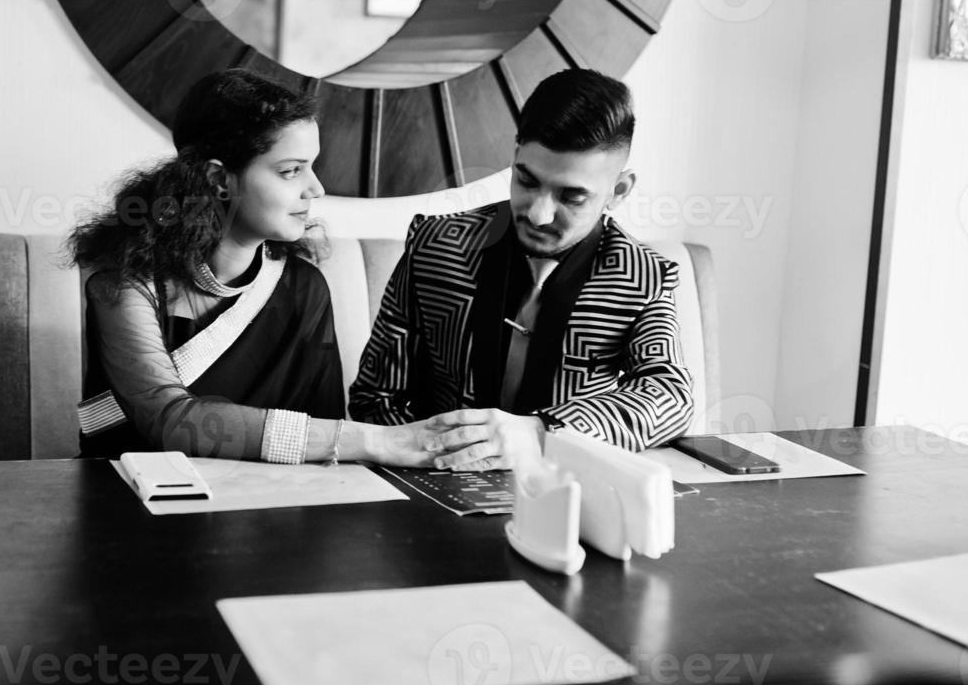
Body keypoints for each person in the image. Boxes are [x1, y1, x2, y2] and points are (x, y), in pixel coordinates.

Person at [70, 68, 439, 466]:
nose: (316, 188)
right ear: (218, 179)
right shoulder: (126, 282)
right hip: (131, 501)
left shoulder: (304, 287)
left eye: (311, 166)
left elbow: (325, 437)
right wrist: (379, 441)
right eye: (290, 170)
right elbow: (167, 419)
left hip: (265, 507)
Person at [349, 68, 693, 473]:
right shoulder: (436, 245)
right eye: (526, 181)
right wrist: (441, 460)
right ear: (514, 159)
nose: (538, 213)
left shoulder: (644, 275)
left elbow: (670, 396)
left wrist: (541, 434)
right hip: (433, 486)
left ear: (618, 191)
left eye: (572, 196)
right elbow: (374, 398)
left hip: (566, 491)